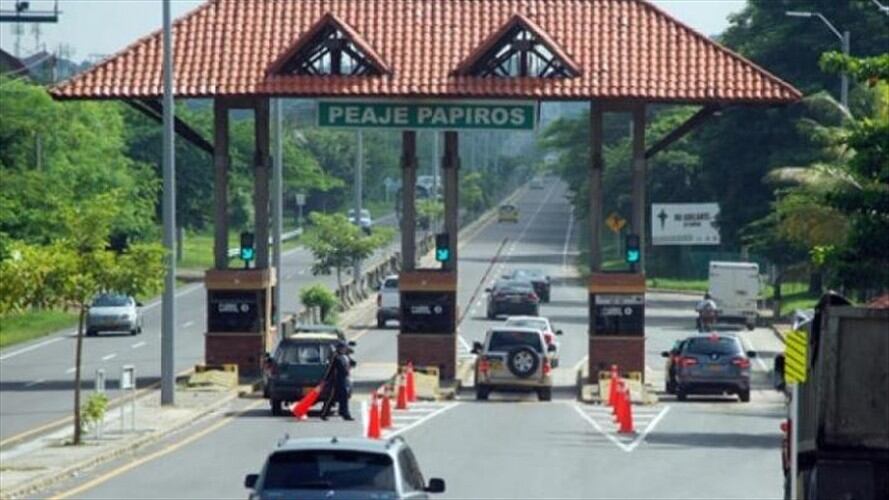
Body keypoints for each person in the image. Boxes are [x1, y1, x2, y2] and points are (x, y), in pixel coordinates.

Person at [320, 341, 354, 421]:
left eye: (345, 348)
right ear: (339, 348)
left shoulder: (345, 356)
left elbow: (350, 363)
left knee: (344, 396)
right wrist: (325, 379)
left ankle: (344, 413)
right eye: (343, 348)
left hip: (344, 379)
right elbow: (330, 369)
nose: (344, 349)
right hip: (336, 380)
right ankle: (324, 413)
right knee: (332, 397)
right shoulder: (336, 357)